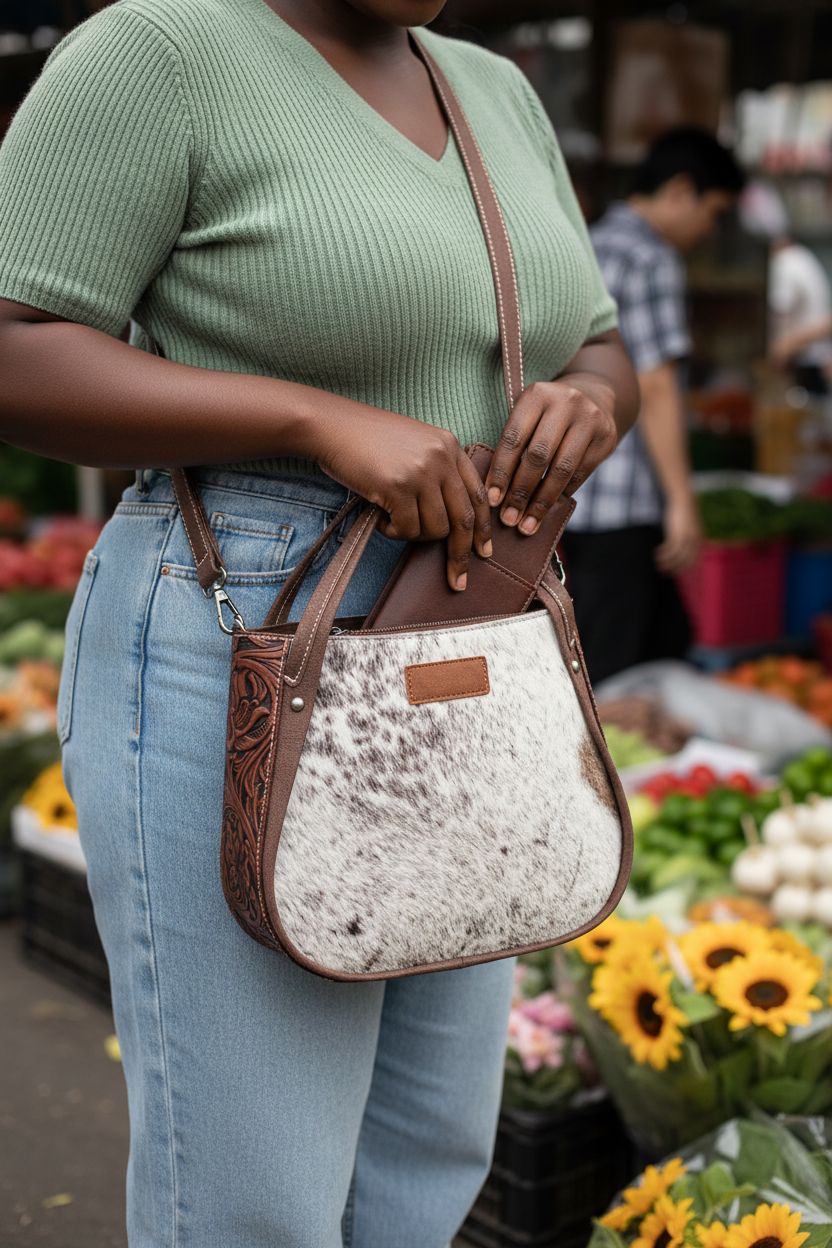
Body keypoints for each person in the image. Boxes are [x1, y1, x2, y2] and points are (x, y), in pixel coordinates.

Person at [0, 2, 638, 1245]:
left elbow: (597, 341)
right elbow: (14, 345)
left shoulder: (491, 89)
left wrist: (586, 404)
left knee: (425, 1162)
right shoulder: (158, 52)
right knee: (256, 1199)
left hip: (466, 633)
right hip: (240, 624)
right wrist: (309, 420)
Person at [561, 126, 745, 684]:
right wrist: (683, 502)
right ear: (680, 190)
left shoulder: (585, 239)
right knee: (620, 673)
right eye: (713, 213)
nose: (709, 230)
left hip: (571, 490)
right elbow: (658, 385)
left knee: (584, 658)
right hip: (625, 502)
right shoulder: (650, 258)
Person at [740, 179, 832, 397]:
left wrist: (782, 347)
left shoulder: (785, 263)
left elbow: (781, 314)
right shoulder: (802, 258)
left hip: (808, 366)